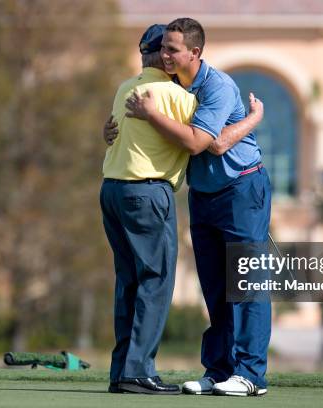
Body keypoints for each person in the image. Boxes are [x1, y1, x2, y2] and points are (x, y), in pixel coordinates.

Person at [114, 18, 272, 397]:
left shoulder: (217, 85)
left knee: (246, 283)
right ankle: (219, 371)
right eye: (162, 48)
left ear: (194, 53)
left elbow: (210, 145)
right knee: (215, 286)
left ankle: (251, 375)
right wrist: (113, 129)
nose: (163, 55)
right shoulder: (170, 86)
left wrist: (253, 119)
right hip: (203, 195)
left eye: (172, 49)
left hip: (242, 189)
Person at [100, 24, 197, 395]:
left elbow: (112, 132)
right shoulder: (175, 95)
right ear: (162, 55)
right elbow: (202, 139)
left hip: (111, 190)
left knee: (129, 281)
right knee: (155, 282)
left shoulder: (126, 87)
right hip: (146, 193)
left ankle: (121, 372)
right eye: (167, 50)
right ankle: (138, 371)